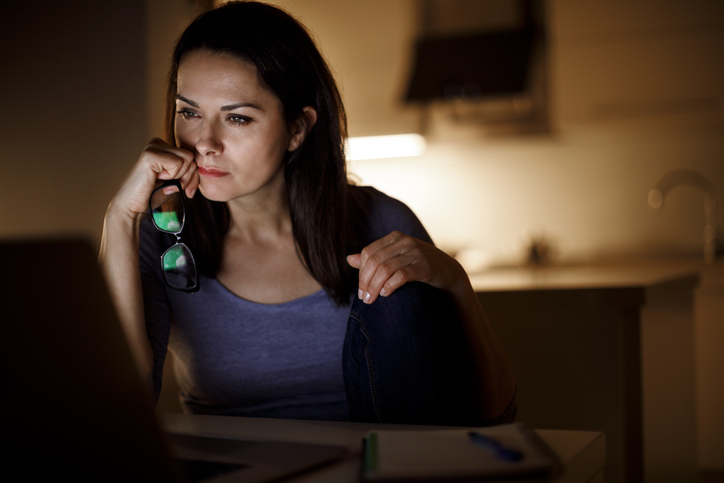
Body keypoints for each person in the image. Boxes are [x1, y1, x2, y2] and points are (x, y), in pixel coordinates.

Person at [99, 0, 516, 425]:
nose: (205, 142)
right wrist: (119, 217)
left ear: (297, 129)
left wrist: (455, 282)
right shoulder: (163, 236)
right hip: (233, 472)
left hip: (376, 467)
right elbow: (119, 411)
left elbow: (490, 414)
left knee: (399, 293)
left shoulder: (381, 221)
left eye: (238, 119)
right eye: (189, 112)